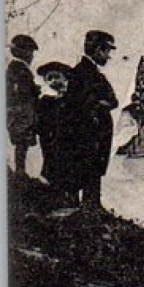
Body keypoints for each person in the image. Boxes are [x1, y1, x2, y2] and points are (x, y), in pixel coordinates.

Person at [68, 30, 119, 208]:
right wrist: (98, 105)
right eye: (107, 51)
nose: (108, 56)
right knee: (88, 170)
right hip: (88, 133)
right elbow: (81, 104)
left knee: (93, 169)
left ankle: (93, 204)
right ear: (97, 50)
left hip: (94, 133)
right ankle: (90, 206)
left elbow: (113, 101)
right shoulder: (83, 73)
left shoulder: (92, 73)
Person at [34, 62, 78, 198]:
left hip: (69, 142)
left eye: (55, 76)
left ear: (65, 78)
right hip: (49, 141)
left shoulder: (73, 100)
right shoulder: (46, 101)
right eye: (49, 78)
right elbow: (39, 123)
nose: (52, 81)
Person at [6, 34, 38, 176]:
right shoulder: (21, 70)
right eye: (30, 52)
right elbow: (24, 93)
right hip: (23, 115)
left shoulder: (13, 68)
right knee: (21, 145)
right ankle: (20, 172)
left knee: (21, 145)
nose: (32, 56)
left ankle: (20, 171)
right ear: (23, 52)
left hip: (18, 114)